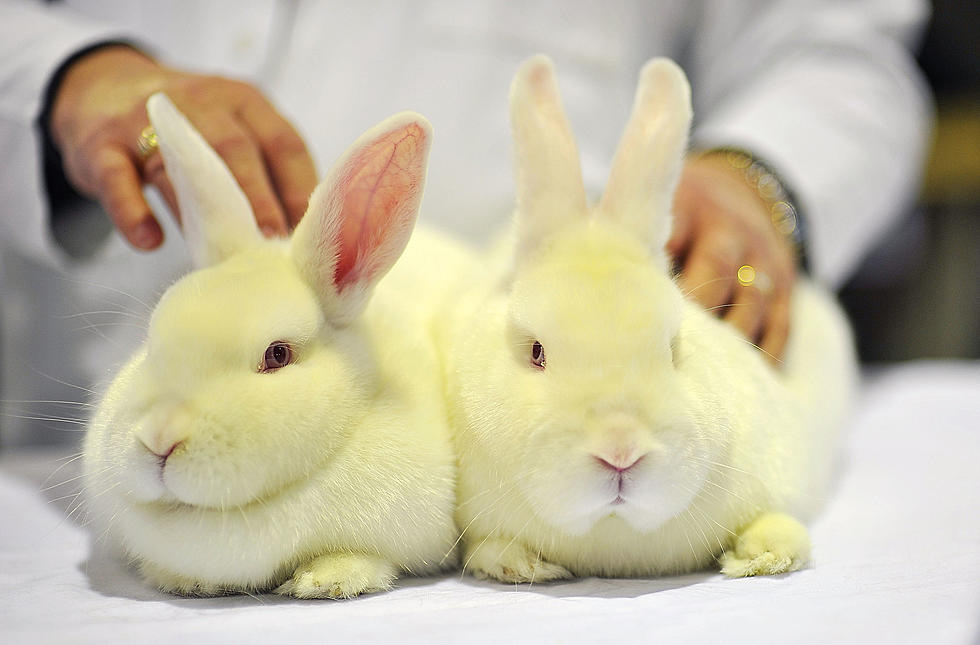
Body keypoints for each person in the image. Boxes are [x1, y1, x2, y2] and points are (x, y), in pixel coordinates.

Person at [0, 0, 931, 446]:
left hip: (512, 409)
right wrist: (57, 78)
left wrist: (756, 177)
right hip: (46, 405)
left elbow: (838, 55)